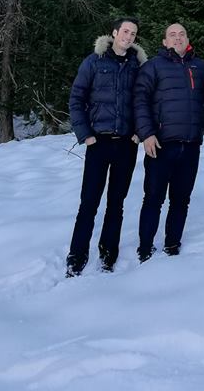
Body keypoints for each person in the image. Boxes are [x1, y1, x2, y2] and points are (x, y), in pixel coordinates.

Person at [66, 17, 147, 276]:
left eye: (133, 33)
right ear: (114, 33)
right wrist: (85, 135)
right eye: (125, 31)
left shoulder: (138, 66)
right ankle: (77, 255)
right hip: (98, 142)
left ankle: (108, 253)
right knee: (89, 202)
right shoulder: (94, 61)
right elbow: (76, 99)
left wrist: (139, 133)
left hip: (126, 144)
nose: (129, 36)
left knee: (116, 202)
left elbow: (146, 102)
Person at [134, 22, 204, 261]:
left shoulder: (199, 66)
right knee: (153, 198)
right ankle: (145, 247)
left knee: (181, 199)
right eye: (172, 35)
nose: (178, 38)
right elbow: (140, 100)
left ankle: (172, 244)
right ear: (165, 42)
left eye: (182, 34)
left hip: (190, 145)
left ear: (188, 39)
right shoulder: (153, 66)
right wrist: (146, 134)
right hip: (161, 144)